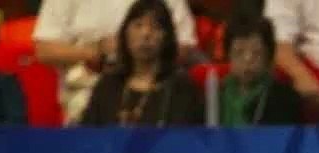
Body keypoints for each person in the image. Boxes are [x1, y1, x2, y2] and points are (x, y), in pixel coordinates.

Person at [33, 0, 198, 125]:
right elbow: (44, 50)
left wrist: (137, 57)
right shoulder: (105, 85)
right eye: (138, 26)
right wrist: (96, 51)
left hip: (158, 84)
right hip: (83, 87)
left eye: (152, 27)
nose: (146, 33)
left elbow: (184, 44)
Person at [79, 0, 205, 127]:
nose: (146, 34)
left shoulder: (182, 89)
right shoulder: (108, 85)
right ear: (125, 33)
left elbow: (191, 141)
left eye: (155, 27)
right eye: (138, 25)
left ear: (167, 37)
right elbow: (87, 137)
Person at [219, 16, 304, 126]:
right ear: (228, 55)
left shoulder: (285, 99)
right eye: (239, 52)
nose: (248, 60)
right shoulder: (215, 95)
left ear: (268, 57)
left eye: (256, 53)